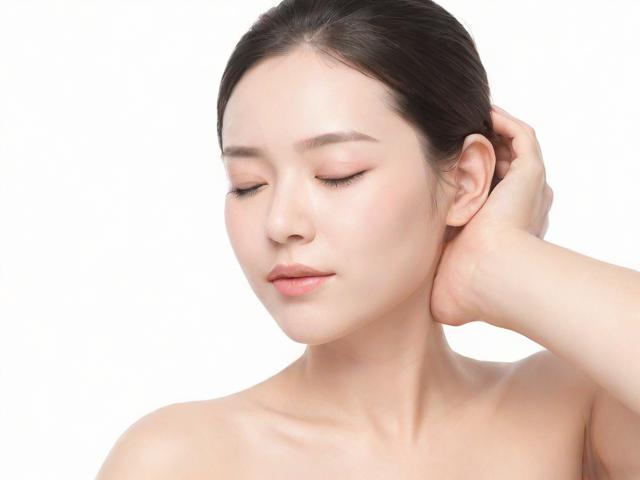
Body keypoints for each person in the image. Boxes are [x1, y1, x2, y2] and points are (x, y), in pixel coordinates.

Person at [96, 1, 640, 478]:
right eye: (248, 184)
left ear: (465, 179)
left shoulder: (572, 414)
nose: (280, 223)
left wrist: (500, 261)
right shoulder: (179, 460)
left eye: (337, 173)